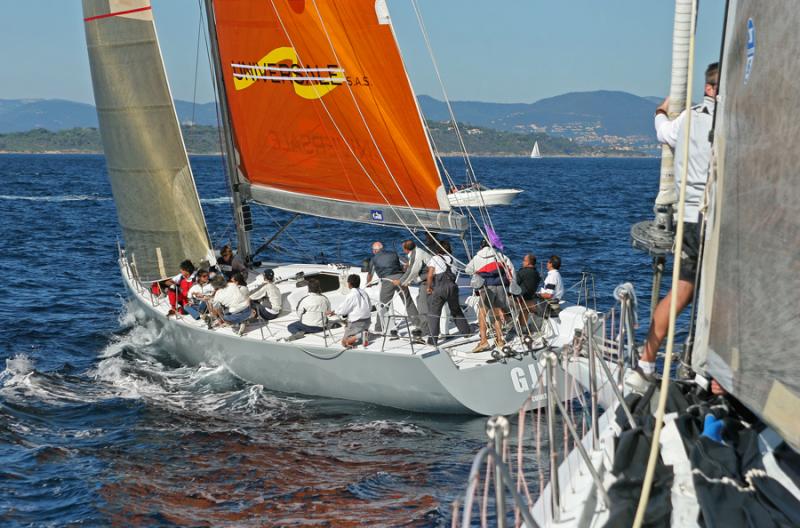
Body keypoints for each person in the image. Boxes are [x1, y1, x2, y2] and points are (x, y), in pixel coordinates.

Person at [634, 62, 719, 385]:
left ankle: (645, 362)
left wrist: (661, 108)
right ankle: (711, 374)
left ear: (707, 88)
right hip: (715, 221)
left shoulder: (686, 119)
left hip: (688, 220)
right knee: (723, 295)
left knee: (680, 293)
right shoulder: (733, 122)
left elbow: (661, 131)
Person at [465, 239, 515, 352]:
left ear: (481, 246)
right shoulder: (500, 255)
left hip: (487, 288)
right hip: (500, 288)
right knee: (497, 314)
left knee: (482, 314)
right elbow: (510, 268)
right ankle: (500, 340)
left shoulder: (478, 257)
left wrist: (477, 272)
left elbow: (467, 269)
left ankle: (483, 342)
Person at [366, 241, 417, 336]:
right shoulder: (394, 254)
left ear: (375, 251)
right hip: (401, 279)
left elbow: (370, 274)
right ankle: (417, 324)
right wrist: (402, 271)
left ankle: (379, 328)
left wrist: (368, 283)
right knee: (408, 301)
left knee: (383, 305)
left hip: (387, 281)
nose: (373, 251)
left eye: (373, 250)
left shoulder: (373, 259)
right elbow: (407, 263)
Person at [425, 240, 471, 345]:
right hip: (453, 287)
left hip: (440, 288)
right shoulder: (453, 259)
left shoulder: (435, 258)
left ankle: (433, 340)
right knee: (456, 310)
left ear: (437, 249)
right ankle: (466, 332)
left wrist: (429, 287)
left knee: (434, 313)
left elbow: (430, 275)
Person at [391, 239, 431, 337]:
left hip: (429, 280)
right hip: (427, 278)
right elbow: (414, 266)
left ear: (405, 249)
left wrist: (401, 281)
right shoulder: (418, 251)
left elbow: (412, 271)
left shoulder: (416, 255)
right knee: (418, 299)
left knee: (422, 304)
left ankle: (426, 331)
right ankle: (425, 326)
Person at [329, 274, 372, 348]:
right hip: (367, 321)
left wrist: (334, 312)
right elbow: (370, 307)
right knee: (347, 327)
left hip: (357, 323)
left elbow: (343, 310)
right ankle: (361, 334)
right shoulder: (364, 293)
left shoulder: (351, 295)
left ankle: (361, 335)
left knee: (344, 342)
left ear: (349, 284)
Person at [515, 253, 541, 328]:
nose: (522, 262)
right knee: (524, 309)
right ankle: (522, 327)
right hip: (530, 299)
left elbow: (514, 285)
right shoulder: (537, 274)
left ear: (528, 262)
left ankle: (500, 324)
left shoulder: (522, 272)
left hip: (519, 300)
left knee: (501, 303)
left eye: (524, 260)